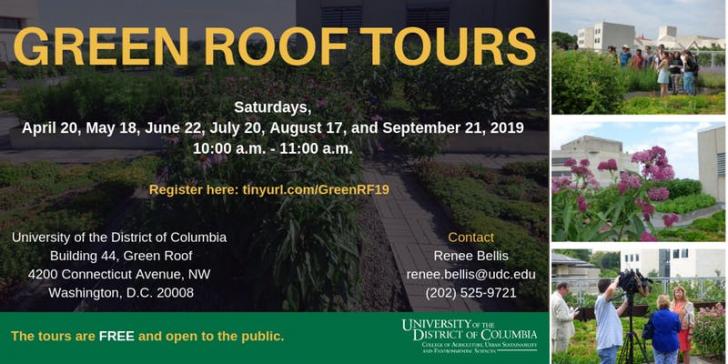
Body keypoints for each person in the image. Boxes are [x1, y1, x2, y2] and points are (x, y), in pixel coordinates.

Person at [595, 277, 629, 364]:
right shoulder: (601, 300)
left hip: (610, 344)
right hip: (607, 344)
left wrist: (625, 304)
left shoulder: (607, 303)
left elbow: (615, 314)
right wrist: (616, 281)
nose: (615, 289)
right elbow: (610, 289)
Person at [646, 295, 681, 364]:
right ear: (668, 303)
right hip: (672, 344)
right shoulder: (675, 315)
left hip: (658, 343)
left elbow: (650, 329)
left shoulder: (654, 315)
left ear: (658, 303)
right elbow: (678, 329)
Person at [551, 282, 579, 353]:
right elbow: (562, 318)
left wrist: (568, 312)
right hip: (560, 333)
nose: (568, 292)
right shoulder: (559, 300)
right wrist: (572, 315)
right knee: (561, 356)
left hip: (554, 331)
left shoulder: (552, 297)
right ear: (562, 288)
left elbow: (556, 314)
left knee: (554, 355)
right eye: (567, 290)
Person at [670, 286, 695, 364]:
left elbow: (692, 318)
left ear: (683, 293)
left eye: (680, 291)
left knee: (686, 351)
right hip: (673, 331)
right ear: (674, 294)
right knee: (674, 352)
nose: (678, 293)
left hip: (685, 331)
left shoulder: (689, 304)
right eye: (676, 292)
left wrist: (690, 332)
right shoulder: (671, 304)